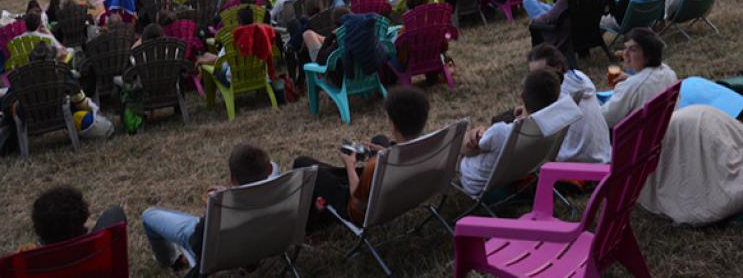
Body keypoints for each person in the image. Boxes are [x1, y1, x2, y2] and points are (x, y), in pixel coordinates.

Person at [294, 87, 430, 230]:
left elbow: (357, 202)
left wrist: (350, 166)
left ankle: (313, 224)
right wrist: (386, 152)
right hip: (401, 191)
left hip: (364, 210)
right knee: (380, 139)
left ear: (393, 125)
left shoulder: (375, 165)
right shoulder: (428, 148)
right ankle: (336, 184)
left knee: (303, 163)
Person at [142, 144, 274, 271]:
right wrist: (229, 193)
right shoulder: (281, 192)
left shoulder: (222, 206)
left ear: (233, 179)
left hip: (220, 253)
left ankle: (172, 260)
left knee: (149, 215)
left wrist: (214, 206)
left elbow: (197, 242)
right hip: (265, 243)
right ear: (269, 170)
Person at [458, 70, 580, 197]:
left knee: (465, 142)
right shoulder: (555, 125)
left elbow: (471, 148)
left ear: (522, 96)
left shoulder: (500, 132)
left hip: (478, 186)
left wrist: (475, 134)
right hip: (514, 176)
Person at [0, 186, 127, 276]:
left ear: (39, 230)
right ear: (83, 218)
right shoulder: (100, 249)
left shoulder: (27, 265)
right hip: (88, 256)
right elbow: (115, 213)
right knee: (114, 213)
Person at [527, 45, 612, 164]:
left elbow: (530, 137)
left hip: (582, 166)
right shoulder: (579, 77)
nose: (537, 80)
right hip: (604, 155)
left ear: (558, 67)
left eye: (542, 73)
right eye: (533, 75)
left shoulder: (556, 98)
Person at [601, 28, 678, 129]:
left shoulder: (632, 86)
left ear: (648, 54)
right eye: (625, 48)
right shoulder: (667, 71)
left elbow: (605, 119)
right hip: (662, 128)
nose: (625, 53)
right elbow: (646, 83)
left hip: (638, 139)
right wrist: (630, 78)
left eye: (633, 50)